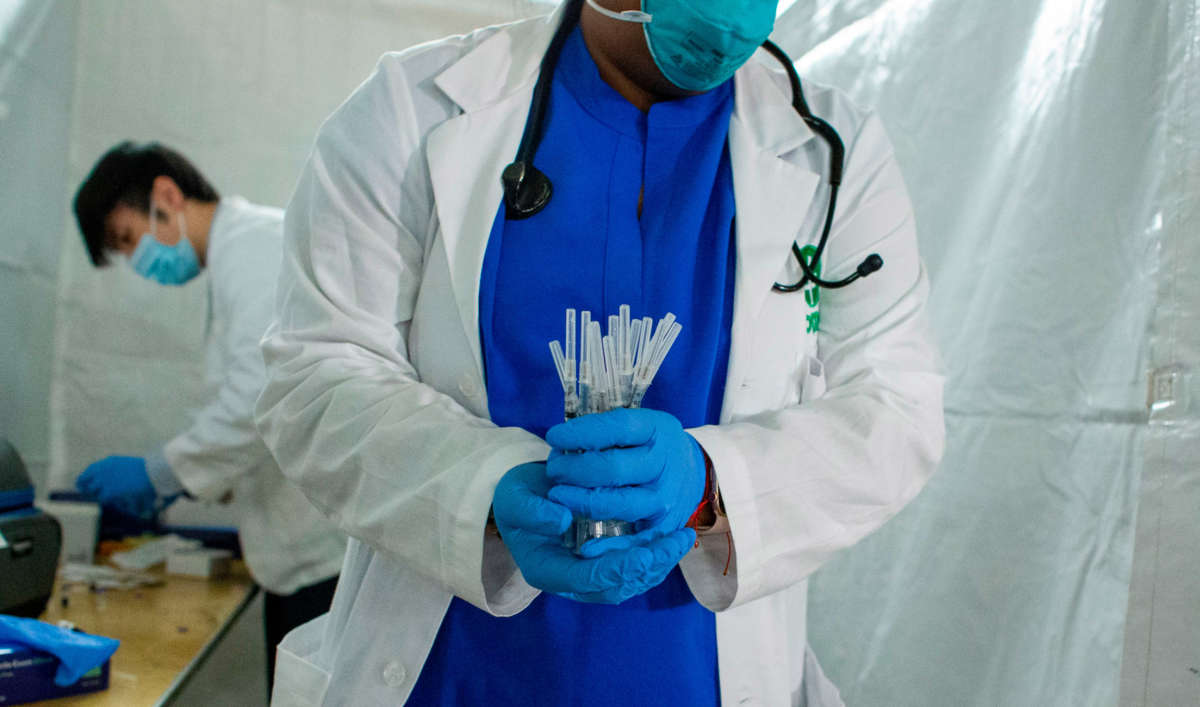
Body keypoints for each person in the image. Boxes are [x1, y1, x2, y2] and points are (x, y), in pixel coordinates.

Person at [255, 0, 945, 705]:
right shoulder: (412, 110)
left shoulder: (836, 152)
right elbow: (315, 376)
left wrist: (708, 484)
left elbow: (896, 410)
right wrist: (482, 491)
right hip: (448, 677)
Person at [70, 142, 347, 690]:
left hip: (323, 556)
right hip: (301, 555)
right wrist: (195, 478)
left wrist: (162, 470)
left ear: (166, 196)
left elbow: (261, 395)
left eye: (129, 240)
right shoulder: (236, 258)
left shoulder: (256, 247)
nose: (138, 263)